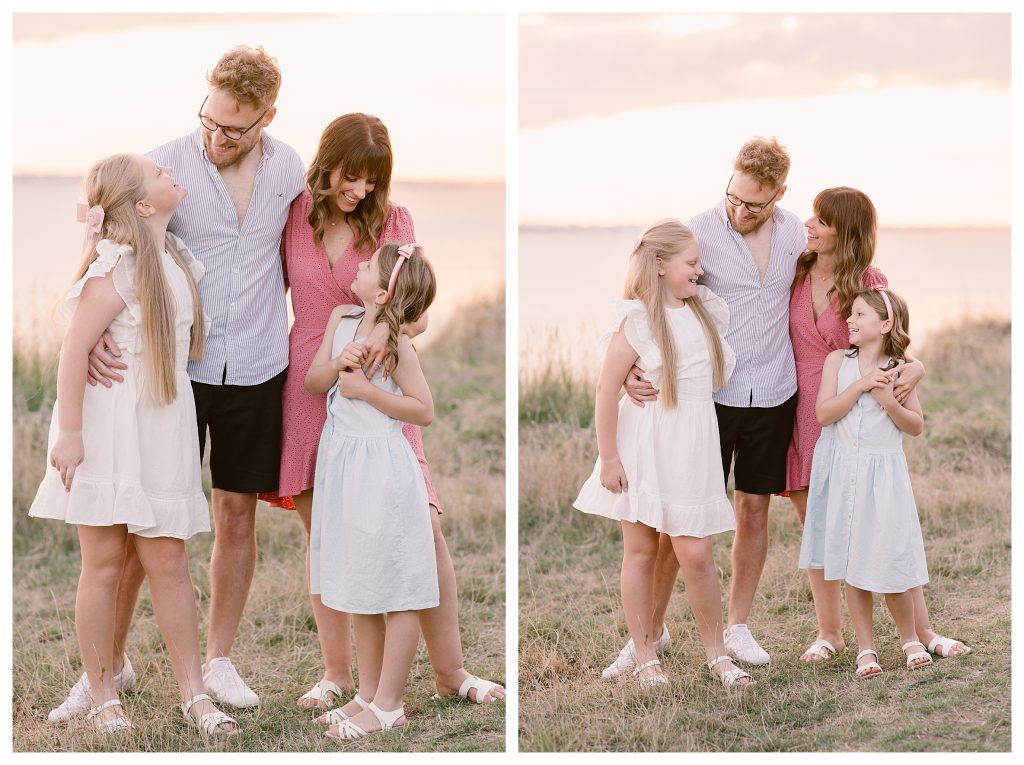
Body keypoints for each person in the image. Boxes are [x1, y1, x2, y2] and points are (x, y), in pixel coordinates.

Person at [50, 45, 307, 717]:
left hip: (257, 362)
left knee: (236, 513)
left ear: (267, 117)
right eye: (209, 120)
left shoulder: (289, 168)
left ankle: (216, 661)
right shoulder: (164, 165)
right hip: (174, 377)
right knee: (145, 523)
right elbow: (108, 243)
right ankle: (106, 666)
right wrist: (92, 333)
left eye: (234, 129)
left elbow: (301, 254)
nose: (216, 136)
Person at [265, 113, 504, 712]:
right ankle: (337, 675)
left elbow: (415, 308)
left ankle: (451, 672)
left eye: (372, 179)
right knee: (328, 535)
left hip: (377, 381)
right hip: (310, 379)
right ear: (327, 163)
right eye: (351, 176)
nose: (361, 190)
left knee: (424, 527)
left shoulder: (395, 221)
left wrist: (384, 333)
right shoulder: (292, 215)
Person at [30, 154, 236, 735]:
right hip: (109, 425)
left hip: (161, 423)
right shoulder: (117, 264)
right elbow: (75, 349)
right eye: (159, 175)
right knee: (103, 564)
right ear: (143, 204)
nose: (170, 173)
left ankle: (195, 694)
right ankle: (102, 694)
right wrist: (71, 433)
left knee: (169, 559)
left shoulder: (172, 257)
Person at [607, 137, 806, 675]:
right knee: (676, 522)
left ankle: (736, 627)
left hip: (774, 387)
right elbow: (648, 292)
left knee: (754, 509)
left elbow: (842, 269)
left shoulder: (794, 233)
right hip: (708, 399)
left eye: (754, 204)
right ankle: (650, 633)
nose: (739, 210)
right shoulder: (698, 232)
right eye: (734, 197)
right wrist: (628, 367)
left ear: (780, 194)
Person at [786, 188, 971, 664]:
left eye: (821, 220)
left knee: (883, 528)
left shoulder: (868, 281)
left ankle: (922, 631)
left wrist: (916, 368)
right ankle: (830, 633)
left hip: (856, 409)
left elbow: (894, 344)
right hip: (805, 405)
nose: (809, 224)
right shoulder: (797, 269)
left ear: (844, 231)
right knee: (821, 522)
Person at [574, 220, 753, 689]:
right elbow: (605, 388)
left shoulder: (703, 310)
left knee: (697, 552)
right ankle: (645, 655)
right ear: (659, 265)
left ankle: (717, 654)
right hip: (644, 442)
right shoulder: (636, 320)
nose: (700, 270)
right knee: (640, 551)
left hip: (692, 442)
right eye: (691, 263)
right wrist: (609, 458)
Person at [305, 242, 439, 739]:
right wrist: (338, 364)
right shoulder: (342, 321)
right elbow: (314, 383)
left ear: (382, 292)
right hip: (343, 465)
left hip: (382, 469)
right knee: (360, 582)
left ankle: (389, 705)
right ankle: (365, 694)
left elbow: (423, 409)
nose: (356, 266)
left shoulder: (396, 343)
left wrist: (367, 391)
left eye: (366, 266)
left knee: (398, 585)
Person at [799, 288, 933, 678]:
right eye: (851, 314)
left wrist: (889, 401)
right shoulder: (837, 361)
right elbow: (824, 414)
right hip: (844, 477)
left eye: (860, 315)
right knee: (852, 562)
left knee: (889, 556)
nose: (850, 321)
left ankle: (910, 639)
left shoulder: (900, 369)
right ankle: (865, 649)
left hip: (883, 480)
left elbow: (916, 426)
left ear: (886, 324)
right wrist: (859, 386)